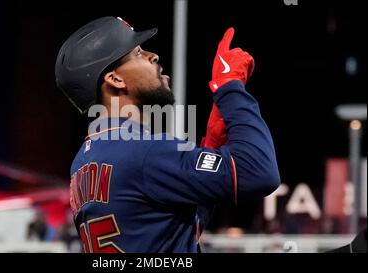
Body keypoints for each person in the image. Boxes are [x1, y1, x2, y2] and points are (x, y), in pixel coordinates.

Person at [55, 16, 280, 253]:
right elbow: (259, 172)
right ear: (115, 79)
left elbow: (173, 231)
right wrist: (230, 87)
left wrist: (212, 146)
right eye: (138, 53)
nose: (153, 56)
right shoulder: (142, 150)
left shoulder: (82, 161)